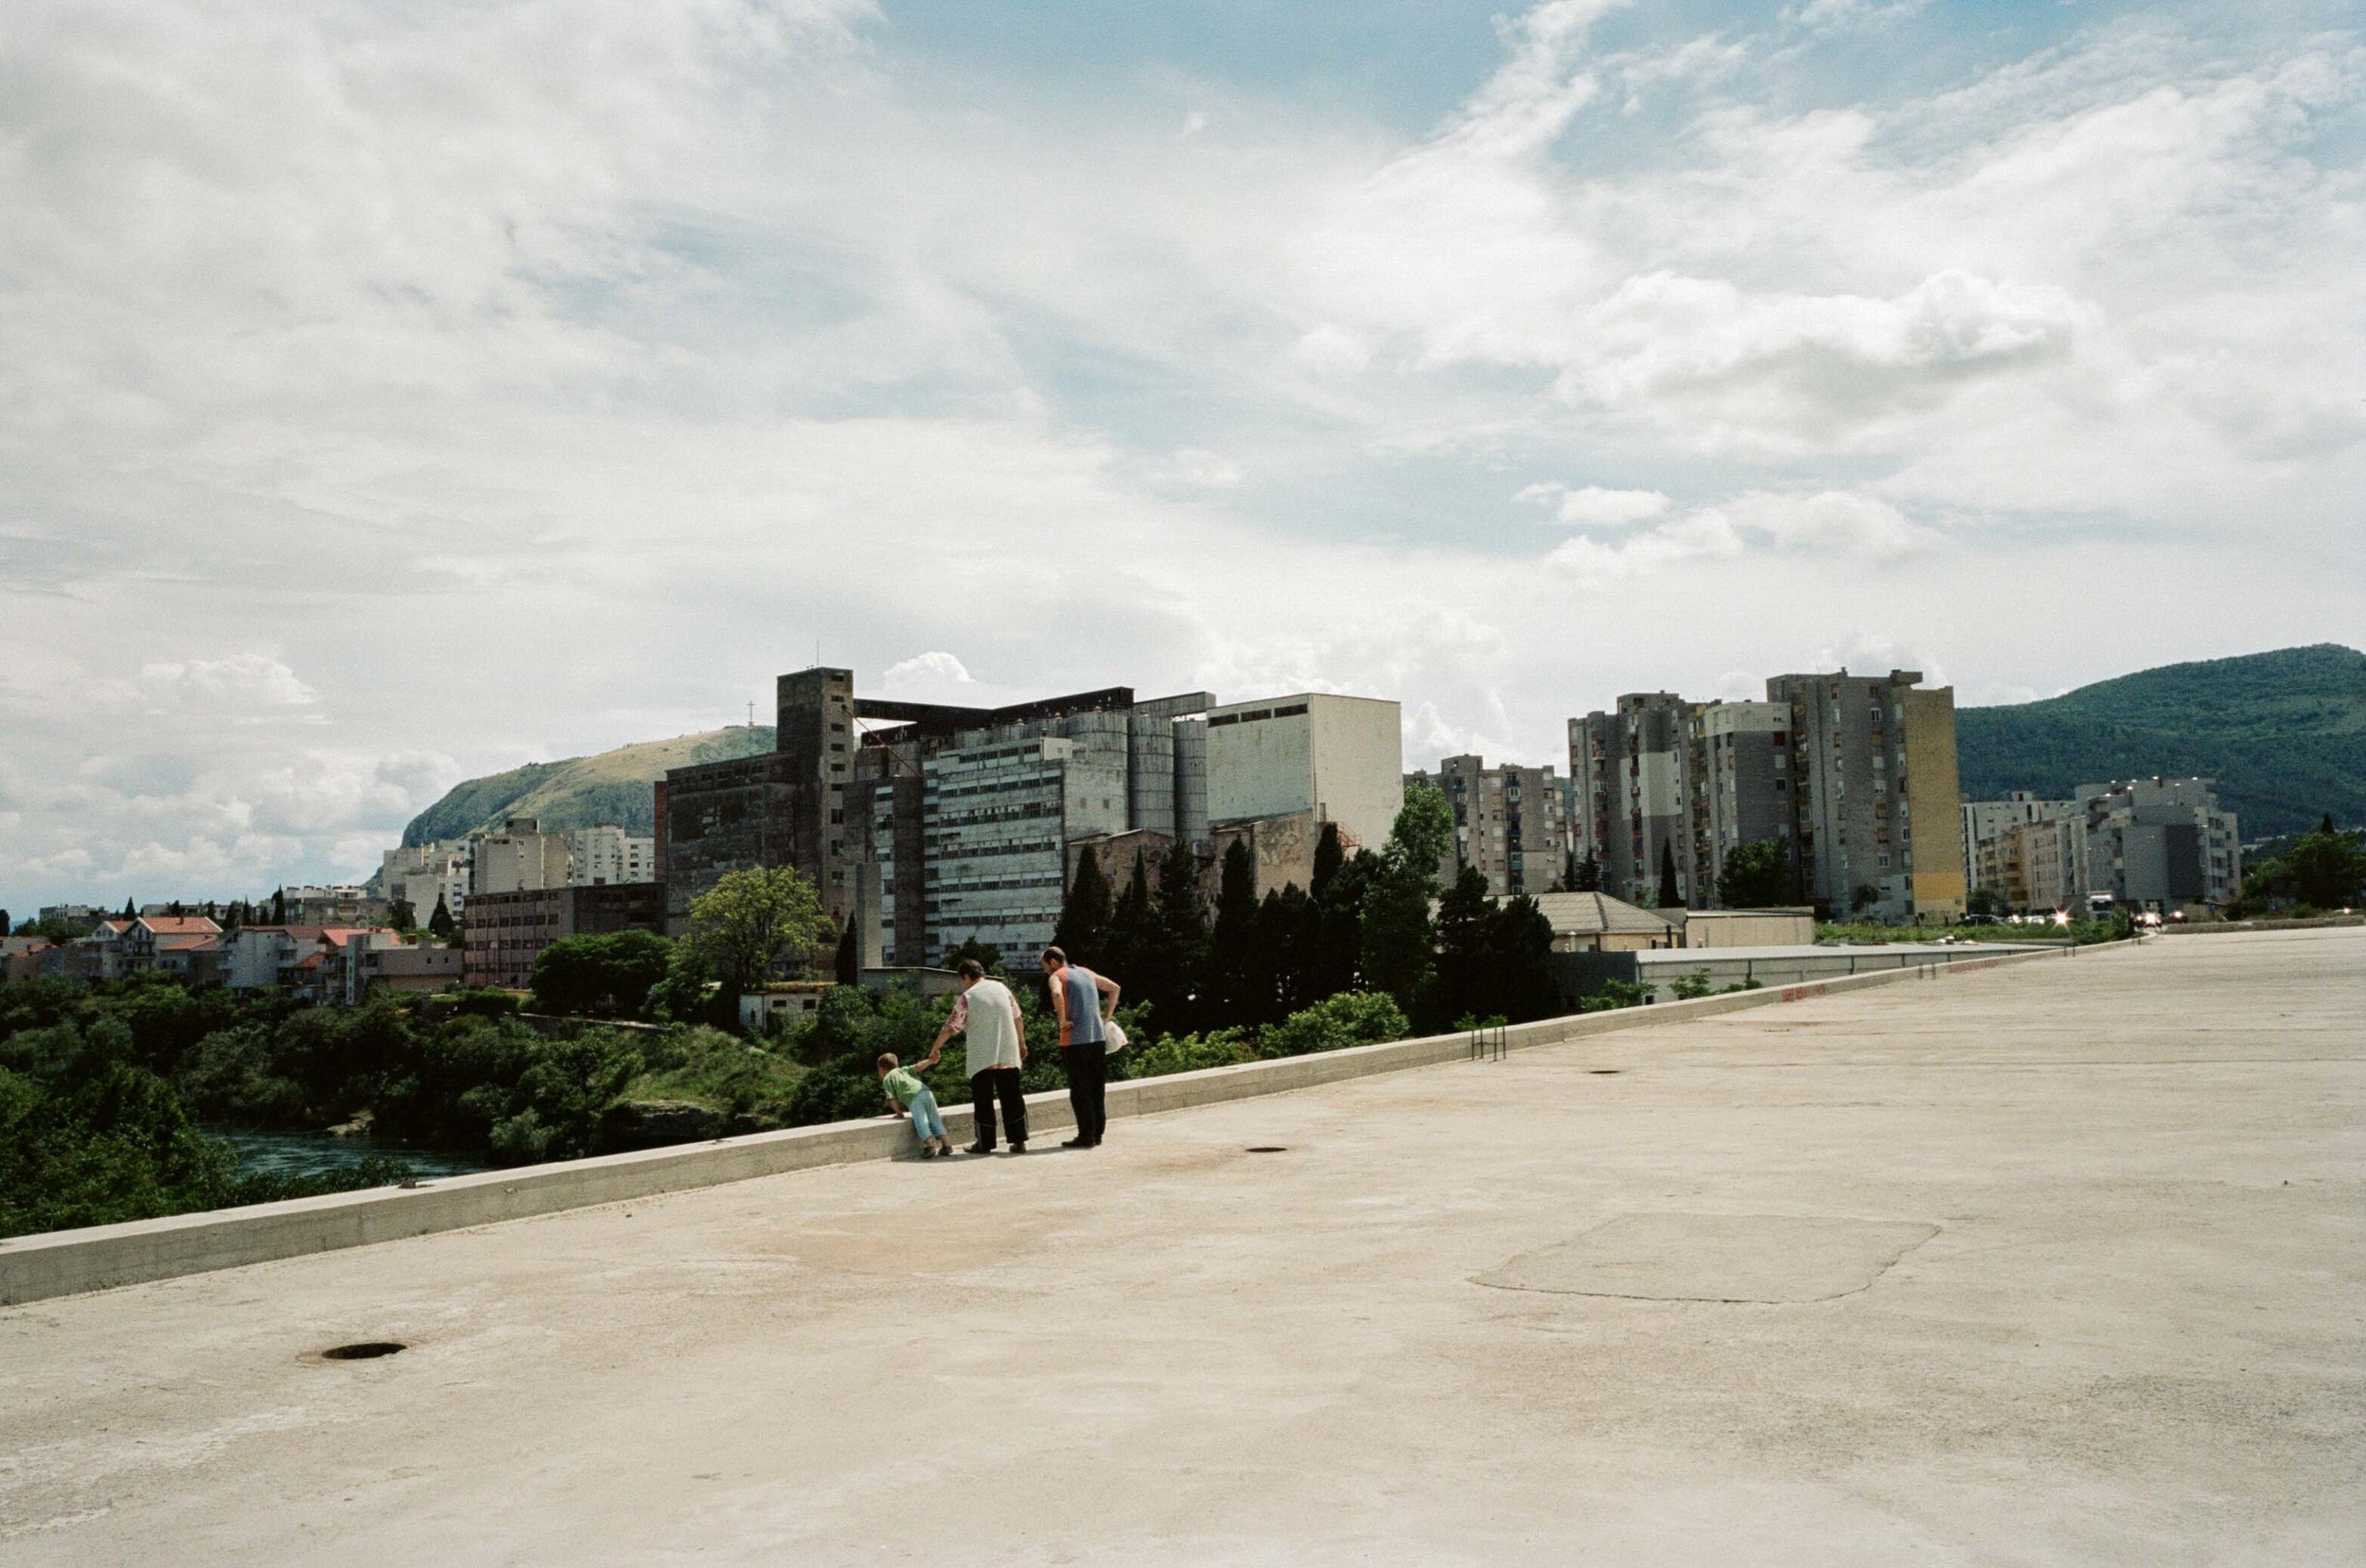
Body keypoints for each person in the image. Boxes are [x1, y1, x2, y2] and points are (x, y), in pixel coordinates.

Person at [929, 958, 1029, 1155]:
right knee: (1013, 1099)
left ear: (966, 976)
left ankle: (985, 1143)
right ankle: (1018, 1141)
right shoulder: (1003, 989)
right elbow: (1018, 1017)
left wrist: (935, 1049)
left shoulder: (968, 997)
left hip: (982, 1057)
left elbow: (951, 1026)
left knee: (983, 1101)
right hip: (1007, 1053)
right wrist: (1021, 1043)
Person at [1041, 945, 1120, 1149]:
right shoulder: (1086, 972)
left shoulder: (1056, 976)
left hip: (1075, 1040)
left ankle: (1085, 1135)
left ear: (1053, 962)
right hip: (1097, 1038)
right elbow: (1114, 988)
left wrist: (1062, 1020)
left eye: (1044, 966)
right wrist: (1107, 1017)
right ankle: (1097, 1133)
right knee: (1096, 1088)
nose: (1045, 971)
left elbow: (1057, 995)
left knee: (1079, 1090)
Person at [876, 1052, 951, 1159]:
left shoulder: (887, 1079)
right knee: (935, 1119)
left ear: (882, 1069)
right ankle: (947, 1145)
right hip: (926, 1091)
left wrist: (899, 1113)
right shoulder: (902, 1070)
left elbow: (892, 1099)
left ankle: (929, 1146)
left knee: (921, 1122)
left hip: (914, 1097)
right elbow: (918, 1066)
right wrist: (930, 1061)